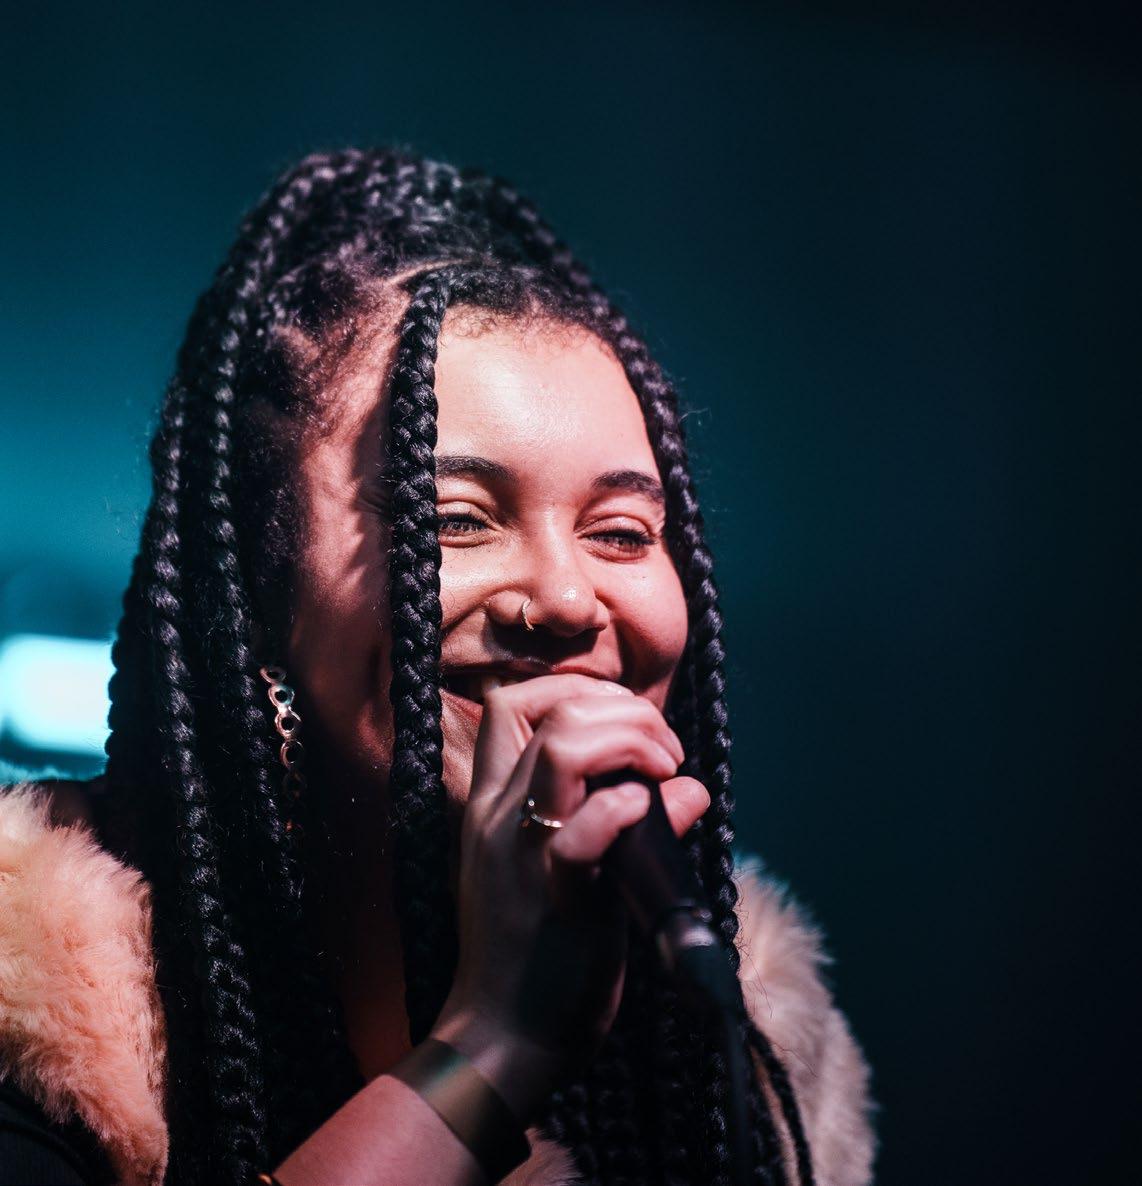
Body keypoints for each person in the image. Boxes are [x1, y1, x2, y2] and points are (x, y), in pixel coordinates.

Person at [0, 149, 874, 1186]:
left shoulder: (745, 1040)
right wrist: (490, 1051)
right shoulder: (30, 980)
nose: (565, 598)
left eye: (622, 533)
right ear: (261, 594)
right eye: (453, 518)